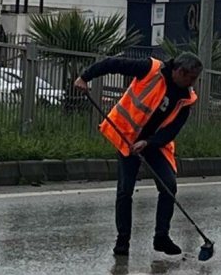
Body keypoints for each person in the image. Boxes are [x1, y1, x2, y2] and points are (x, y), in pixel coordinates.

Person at [74, 52, 203, 257]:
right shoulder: (150, 69)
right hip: (128, 137)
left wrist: (149, 143)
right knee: (125, 191)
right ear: (179, 71)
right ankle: (122, 241)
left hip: (155, 145)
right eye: (191, 78)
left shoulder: (186, 98)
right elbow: (113, 64)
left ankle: (161, 237)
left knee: (169, 186)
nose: (192, 83)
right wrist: (84, 77)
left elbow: (172, 129)